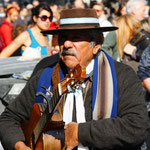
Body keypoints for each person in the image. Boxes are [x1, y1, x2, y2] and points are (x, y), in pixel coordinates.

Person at [0, 8, 149, 150]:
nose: (66, 44)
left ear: (96, 44)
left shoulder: (122, 75)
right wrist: (18, 145)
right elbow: (8, 118)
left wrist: (80, 133)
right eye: (63, 38)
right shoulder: (44, 76)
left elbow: (137, 127)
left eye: (75, 38)